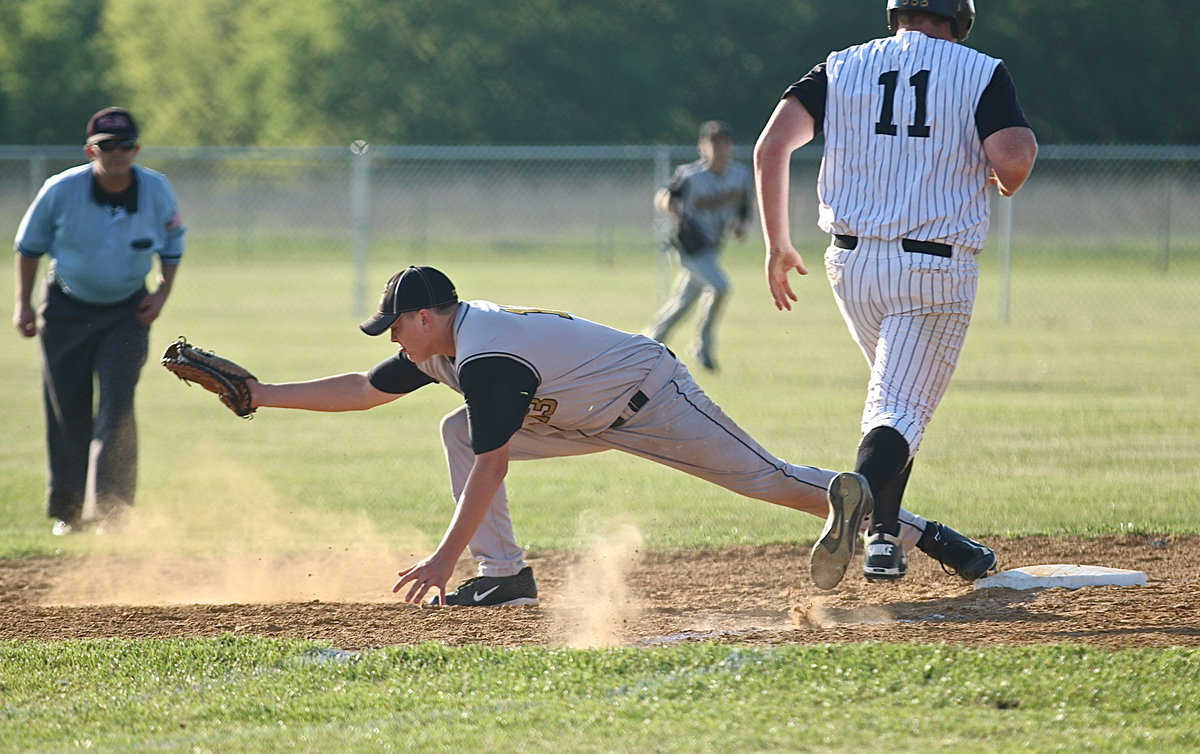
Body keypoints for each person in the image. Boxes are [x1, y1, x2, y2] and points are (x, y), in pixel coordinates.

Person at [245, 265, 993, 605]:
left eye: (398, 324)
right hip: (579, 411)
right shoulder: (441, 347)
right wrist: (262, 394)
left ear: (432, 312)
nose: (394, 339)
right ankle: (504, 572)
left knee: (767, 480)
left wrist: (443, 558)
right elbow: (364, 388)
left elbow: (492, 465)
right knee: (455, 427)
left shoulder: (487, 358)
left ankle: (923, 534)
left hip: (650, 397)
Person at [753, 0, 1038, 586]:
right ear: (958, 20)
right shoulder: (979, 69)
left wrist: (778, 245)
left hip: (851, 263)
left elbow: (771, 147)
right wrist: (1003, 179)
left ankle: (884, 539)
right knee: (900, 411)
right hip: (934, 267)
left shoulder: (841, 65)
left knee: (893, 404)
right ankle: (856, 500)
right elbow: (1013, 156)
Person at [12, 107, 186, 535]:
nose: (118, 153)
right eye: (108, 146)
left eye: (126, 145)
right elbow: (29, 247)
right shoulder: (61, 190)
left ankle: (113, 512)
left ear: (137, 149)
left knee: (117, 407)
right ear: (91, 149)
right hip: (66, 308)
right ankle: (68, 512)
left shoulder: (156, 189)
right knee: (67, 407)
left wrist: (161, 294)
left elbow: (172, 245)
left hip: (127, 311)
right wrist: (24, 303)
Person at [644, 120, 754, 372]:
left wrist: (741, 225)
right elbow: (664, 197)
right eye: (712, 142)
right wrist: (674, 212)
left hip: (712, 248)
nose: (718, 147)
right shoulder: (690, 175)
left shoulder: (739, 174)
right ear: (702, 147)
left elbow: (744, 206)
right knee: (721, 287)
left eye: (723, 141)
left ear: (731, 146)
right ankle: (702, 345)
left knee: (681, 303)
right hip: (689, 248)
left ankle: (649, 341)